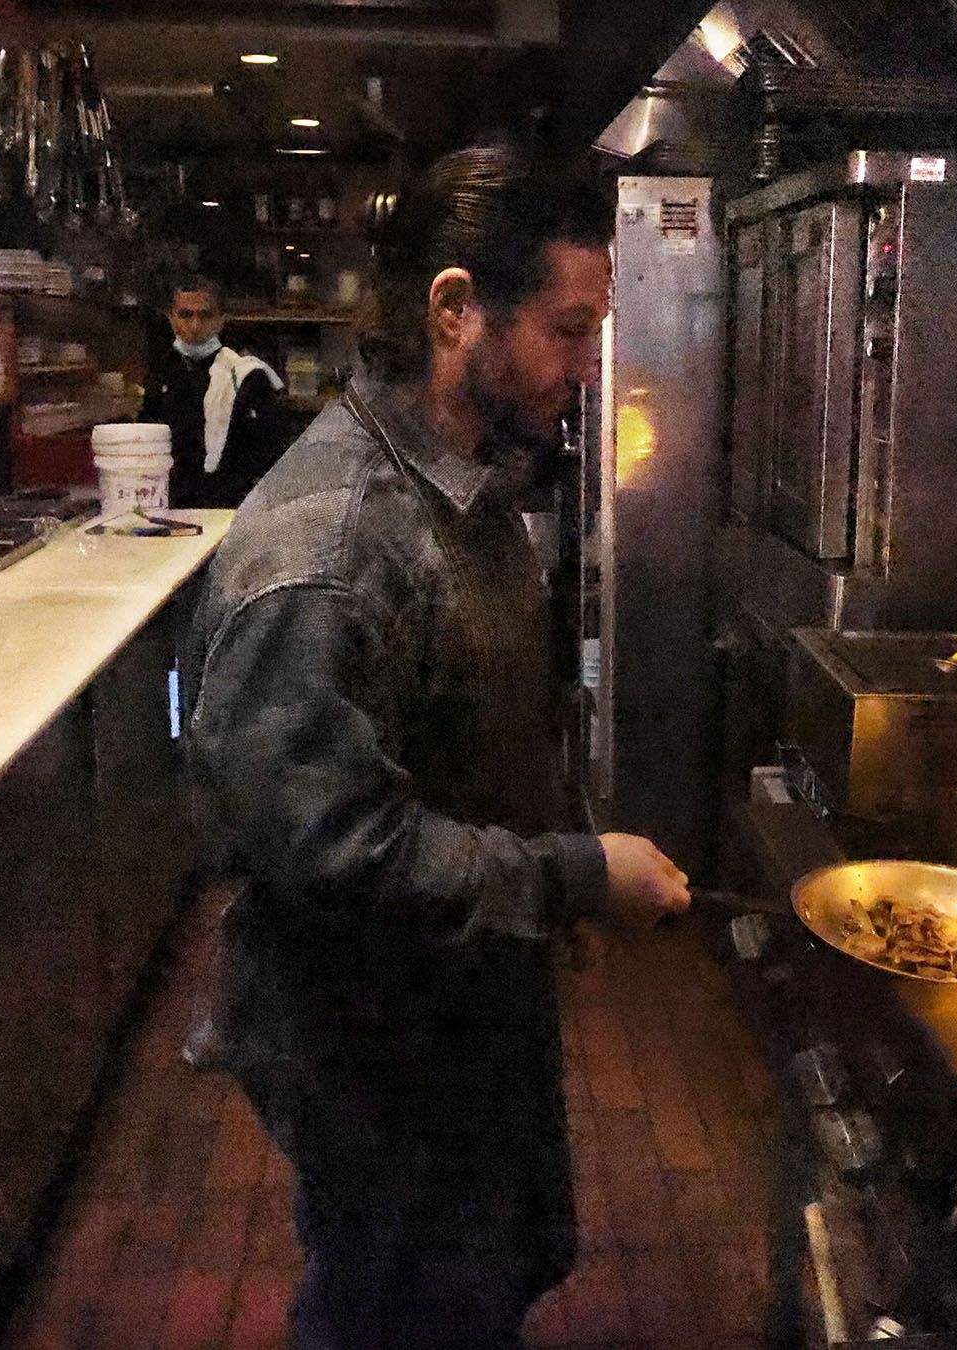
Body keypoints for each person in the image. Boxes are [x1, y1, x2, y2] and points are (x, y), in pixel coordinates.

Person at [179, 147, 691, 1349]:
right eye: (568, 331)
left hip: (450, 1003)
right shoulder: (330, 550)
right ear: (456, 309)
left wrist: (549, 889)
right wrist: (572, 875)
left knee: (473, 1285)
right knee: (395, 1308)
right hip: (371, 1045)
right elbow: (335, 853)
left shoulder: (457, 478)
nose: (585, 367)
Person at [141, 278, 287, 508]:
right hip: (168, 500)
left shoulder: (246, 376)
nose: (195, 325)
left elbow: (266, 452)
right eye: (186, 315)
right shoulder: (160, 373)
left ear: (221, 321)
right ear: (171, 318)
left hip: (227, 502)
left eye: (205, 315)